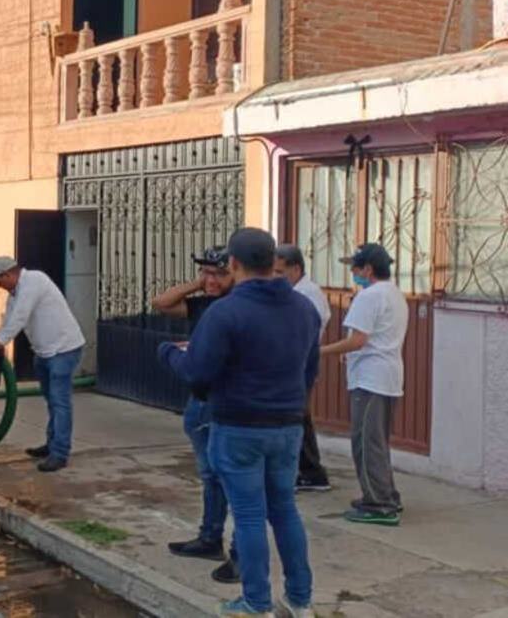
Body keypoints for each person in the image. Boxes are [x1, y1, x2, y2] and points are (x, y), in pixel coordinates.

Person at [160, 228, 319, 618]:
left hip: (239, 428)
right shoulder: (305, 309)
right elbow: (309, 370)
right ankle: (300, 601)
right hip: (288, 426)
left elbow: (198, 373)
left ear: (233, 264)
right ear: (273, 263)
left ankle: (256, 602)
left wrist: (169, 354)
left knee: (248, 516)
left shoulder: (225, 312)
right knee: (284, 510)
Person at [152, 246, 240, 583]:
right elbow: (160, 303)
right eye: (206, 273)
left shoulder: (235, 308)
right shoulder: (204, 303)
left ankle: (235, 551)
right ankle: (210, 537)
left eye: (219, 273)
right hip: (201, 400)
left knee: (227, 478)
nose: (211, 280)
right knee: (209, 476)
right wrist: (197, 283)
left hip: (220, 403)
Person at [321, 243, 407, 526]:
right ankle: (385, 495)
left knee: (366, 443)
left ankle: (379, 504)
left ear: (368, 269)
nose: (353, 273)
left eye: (355, 268)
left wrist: (320, 351)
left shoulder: (370, 297)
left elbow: (358, 340)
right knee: (376, 441)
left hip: (371, 379)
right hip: (386, 376)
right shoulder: (394, 293)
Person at [0, 256, 85, 473]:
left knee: (60, 403)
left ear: (8, 274)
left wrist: (1, 341)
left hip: (63, 349)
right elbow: (9, 318)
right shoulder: (14, 295)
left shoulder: (33, 281)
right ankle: (52, 444)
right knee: (52, 401)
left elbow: (20, 316)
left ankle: (59, 453)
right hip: (44, 351)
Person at [274, 244, 332, 492]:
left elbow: (306, 332)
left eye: (279, 272)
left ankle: (310, 471)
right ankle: (309, 470)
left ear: (295, 268)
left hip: (300, 364)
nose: (275, 278)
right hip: (295, 363)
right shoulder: (297, 292)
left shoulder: (307, 295)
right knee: (299, 416)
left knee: (297, 417)